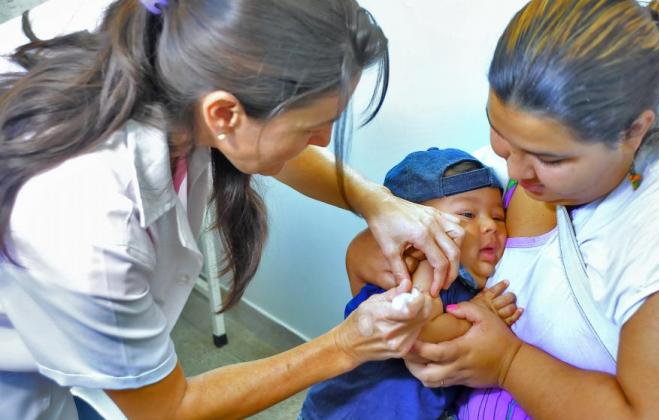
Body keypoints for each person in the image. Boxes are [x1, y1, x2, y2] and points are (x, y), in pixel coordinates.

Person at [0, 1, 466, 418]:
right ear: (223, 115)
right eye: (311, 126)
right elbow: (166, 408)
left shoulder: (179, 34)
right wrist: (348, 344)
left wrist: (376, 203)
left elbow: (261, 138)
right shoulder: (87, 227)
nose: (324, 141)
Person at [349, 0, 659, 418]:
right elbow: (385, 250)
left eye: (548, 160)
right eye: (499, 131)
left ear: (635, 131)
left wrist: (508, 364)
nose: (511, 167)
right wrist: (376, 256)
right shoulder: (545, 149)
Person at [299, 147, 523, 420]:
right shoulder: (429, 265)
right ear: (416, 226)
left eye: (498, 217)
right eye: (468, 214)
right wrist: (479, 315)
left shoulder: (467, 282)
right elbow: (415, 331)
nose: (490, 226)